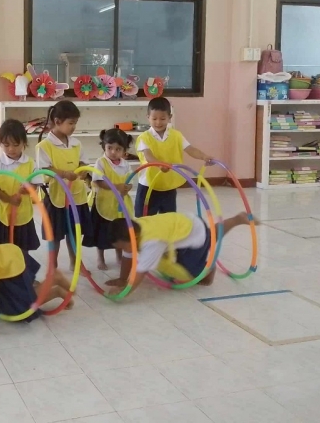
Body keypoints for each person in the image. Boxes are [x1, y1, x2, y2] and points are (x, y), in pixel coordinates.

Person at [105, 211, 257, 291]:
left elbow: (141, 270)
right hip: (184, 223)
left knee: (189, 273)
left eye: (122, 247)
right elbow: (128, 256)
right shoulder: (133, 228)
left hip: (192, 235)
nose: (122, 250)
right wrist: (122, 279)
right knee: (210, 235)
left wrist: (125, 292)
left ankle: (208, 269)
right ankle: (237, 219)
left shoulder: (152, 242)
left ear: (132, 238)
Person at [36, 100, 92, 270]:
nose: (74, 127)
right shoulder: (44, 146)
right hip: (56, 197)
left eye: (75, 123)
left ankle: (75, 262)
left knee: (75, 231)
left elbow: (84, 162)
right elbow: (44, 169)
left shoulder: (76, 144)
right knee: (55, 234)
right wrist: (64, 174)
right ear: (57, 121)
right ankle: (53, 266)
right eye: (71, 123)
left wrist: (83, 171)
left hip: (76, 196)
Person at [135, 97, 214, 217]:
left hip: (168, 184)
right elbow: (148, 155)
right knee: (144, 219)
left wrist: (204, 156)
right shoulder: (144, 137)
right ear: (148, 117)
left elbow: (190, 149)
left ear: (170, 117)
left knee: (169, 218)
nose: (158, 122)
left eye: (162, 119)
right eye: (154, 119)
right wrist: (160, 164)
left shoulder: (176, 135)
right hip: (148, 185)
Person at [0, 119, 41, 254]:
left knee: (22, 248)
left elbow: (35, 184)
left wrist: (28, 188)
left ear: (24, 143)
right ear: (0, 144)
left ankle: (23, 266)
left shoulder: (30, 163)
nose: (11, 149)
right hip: (3, 213)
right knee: (3, 248)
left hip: (23, 213)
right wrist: (9, 199)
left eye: (16, 145)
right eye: (6, 145)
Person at [88, 128, 134, 270]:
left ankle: (119, 255)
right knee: (102, 232)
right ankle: (100, 258)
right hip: (104, 203)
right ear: (104, 146)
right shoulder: (101, 162)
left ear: (124, 150)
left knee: (119, 232)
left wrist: (127, 187)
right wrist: (116, 187)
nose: (113, 152)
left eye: (118, 149)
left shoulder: (125, 164)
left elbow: (130, 181)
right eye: (109, 148)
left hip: (120, 204)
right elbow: (98, 182)